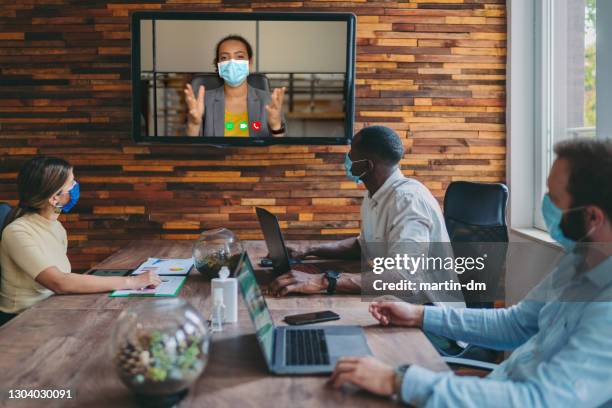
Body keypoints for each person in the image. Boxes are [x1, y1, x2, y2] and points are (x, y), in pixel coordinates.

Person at [328, 138, 612, 407]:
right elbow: (516, 325)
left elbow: (537, 400)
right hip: (496, 386)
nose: (545, 204)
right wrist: (419, 315)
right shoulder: (578, 261)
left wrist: (398, 381)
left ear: (592, 217)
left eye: (554, 198)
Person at [269, 125, 455, 299]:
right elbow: (363, 246)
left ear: (367, 165)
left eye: (351, 155)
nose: (347, 160)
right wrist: (308, 250)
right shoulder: (375, 194)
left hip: (430, 311)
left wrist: (324, 281)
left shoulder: (408, 200)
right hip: (394, 301)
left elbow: (405, 277)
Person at [0, 157, 161, 326]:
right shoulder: (17, 232)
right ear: (55, 198)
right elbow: (59, 282)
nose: (76, 185)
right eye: (71, 183)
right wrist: (132, 282)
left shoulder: (56, 227)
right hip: (21, 321)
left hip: (52, 309)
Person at [184, 34, 287, 138]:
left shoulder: (268, 101)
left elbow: (282, 151)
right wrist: (194, 124)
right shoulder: (204, 101)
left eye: (239, 56)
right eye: (224, 57)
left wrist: (276, 126)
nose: (232, 62)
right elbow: (192, 149)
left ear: (250, 63)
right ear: (218, 65)